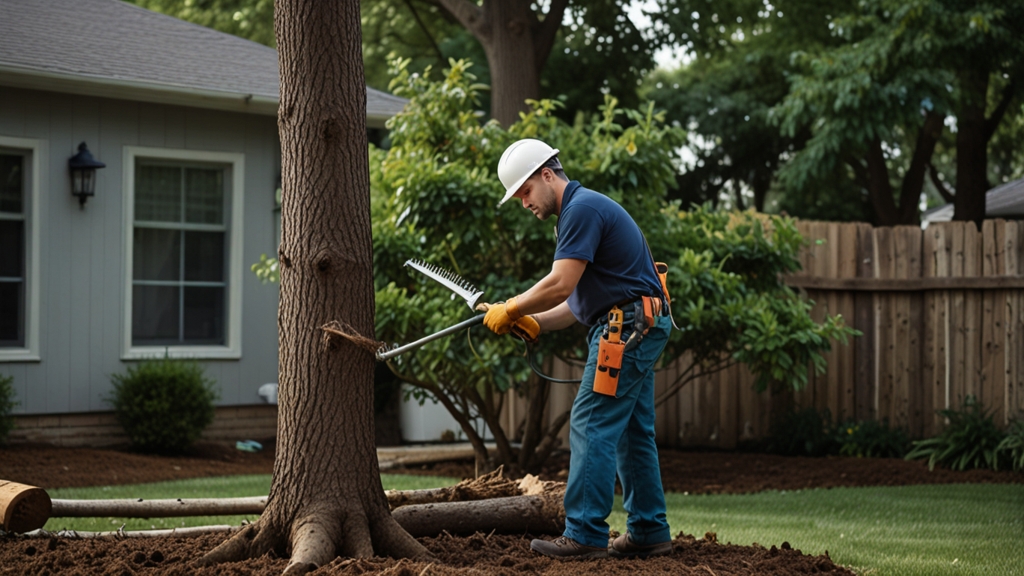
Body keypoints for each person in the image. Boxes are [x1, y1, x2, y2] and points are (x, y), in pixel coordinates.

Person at [479, 138, 674, 559]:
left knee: (590, 422)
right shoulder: (581, 211)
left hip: (626, 328)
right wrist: (534, 322)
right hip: (639, 322)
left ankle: (584, 534)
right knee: (632, 432)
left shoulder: (581, 210)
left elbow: (559, 284)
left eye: (525, 191)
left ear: (547, 174)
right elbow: (575, 303)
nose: (524, 203)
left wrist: (511, 307)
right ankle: (649, 530)